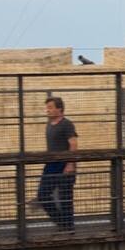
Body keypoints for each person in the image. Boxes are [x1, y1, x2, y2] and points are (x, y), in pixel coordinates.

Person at [36, 97, 79, 232]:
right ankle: (61, 222)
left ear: (59, 109)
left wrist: (70, 164)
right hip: (51, 164)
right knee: (43, 195)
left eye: (50, 107)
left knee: (65, 197)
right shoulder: (49, 124)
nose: (47, 110)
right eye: (47, 107)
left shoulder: (67, 124)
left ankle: (68, 227)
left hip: (64, 164)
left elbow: (73, 143)